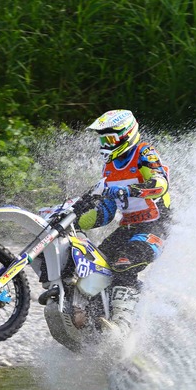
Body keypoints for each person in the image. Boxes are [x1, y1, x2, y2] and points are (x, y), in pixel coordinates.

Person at [76, 109, 172, 339]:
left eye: (110, 138)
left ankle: (122, 326)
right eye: (103, 138)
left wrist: (129, 190)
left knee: (124, 262)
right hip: (127, 228)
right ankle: (92, 320)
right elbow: (107, 212)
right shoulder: (109, 168)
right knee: (95, 267)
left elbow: (160, 183)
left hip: (156, 225)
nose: (105, 143)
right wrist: (76, 219)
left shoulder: (143, 152)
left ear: (126, 134)